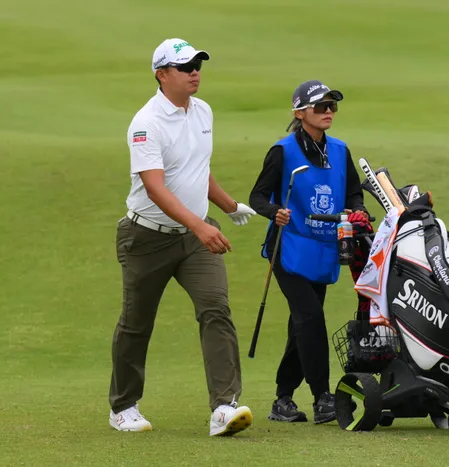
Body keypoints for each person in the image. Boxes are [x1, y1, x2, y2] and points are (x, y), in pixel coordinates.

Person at [109, 38, 257, 437]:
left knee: (216, 309)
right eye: (185, 67)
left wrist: (229, 206)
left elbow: (197, 168)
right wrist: (200, 225)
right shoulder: (146, 123)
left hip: (194, 239)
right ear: (162, 75)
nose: (195, 72)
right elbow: (155, 187)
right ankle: (123, 406)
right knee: (137, 323)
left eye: (198, 65)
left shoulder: (203, 111)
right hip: (146, 237)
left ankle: (224, 407)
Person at [248, 80, 369, 424]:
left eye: (332, 106)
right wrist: (275, 212)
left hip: (323, 248)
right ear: (300, 113)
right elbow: (258, 196)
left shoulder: (340, 150)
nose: (328, 112)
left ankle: (282, 398)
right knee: (311, 318)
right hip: (287, 248)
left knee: (302, 324)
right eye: (320, 106)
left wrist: (357, 210)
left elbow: (353, 193)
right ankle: (322, 398)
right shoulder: (282, 151)